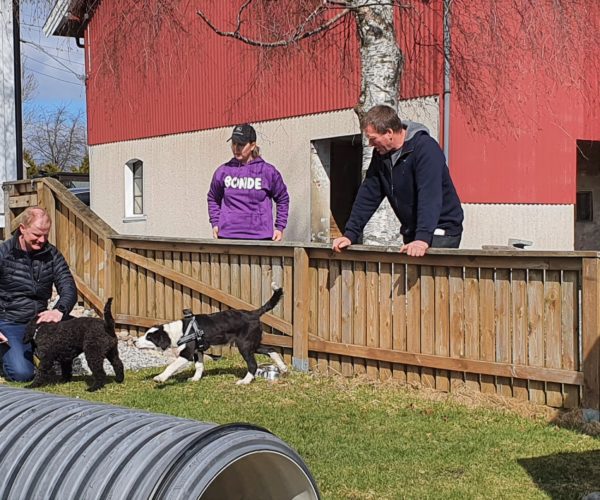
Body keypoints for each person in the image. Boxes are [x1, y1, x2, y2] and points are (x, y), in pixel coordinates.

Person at [332, 105, 464, 257]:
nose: (370, 144)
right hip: (414, 231)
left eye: (373, 139)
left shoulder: (425, 149)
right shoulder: (381, 156)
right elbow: (368, 195)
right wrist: (350, 234)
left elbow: (430, 196)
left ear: (389, 133)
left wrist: (422, 238)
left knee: (431, 279)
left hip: (440, 230)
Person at [0, 207, 77, 382]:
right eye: (36, 235)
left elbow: (68, 287)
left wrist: (58, 311)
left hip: (40, 319)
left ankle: (50, 355)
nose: (41, 240)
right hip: (11, 321)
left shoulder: (51, 254)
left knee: (82, 328)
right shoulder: (3, 254)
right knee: (22, 374)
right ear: (22, 228)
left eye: (45, 235)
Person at [207, 123, 289, 241]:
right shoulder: (223, 172)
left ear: (252, 145)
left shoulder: (267, 172)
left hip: (260, 239)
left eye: (241, 144)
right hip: (227, 238)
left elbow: (283, 198)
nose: (236, 148)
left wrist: (280, 227)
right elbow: (213, 198)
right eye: (234, 143)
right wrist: (215, 223)